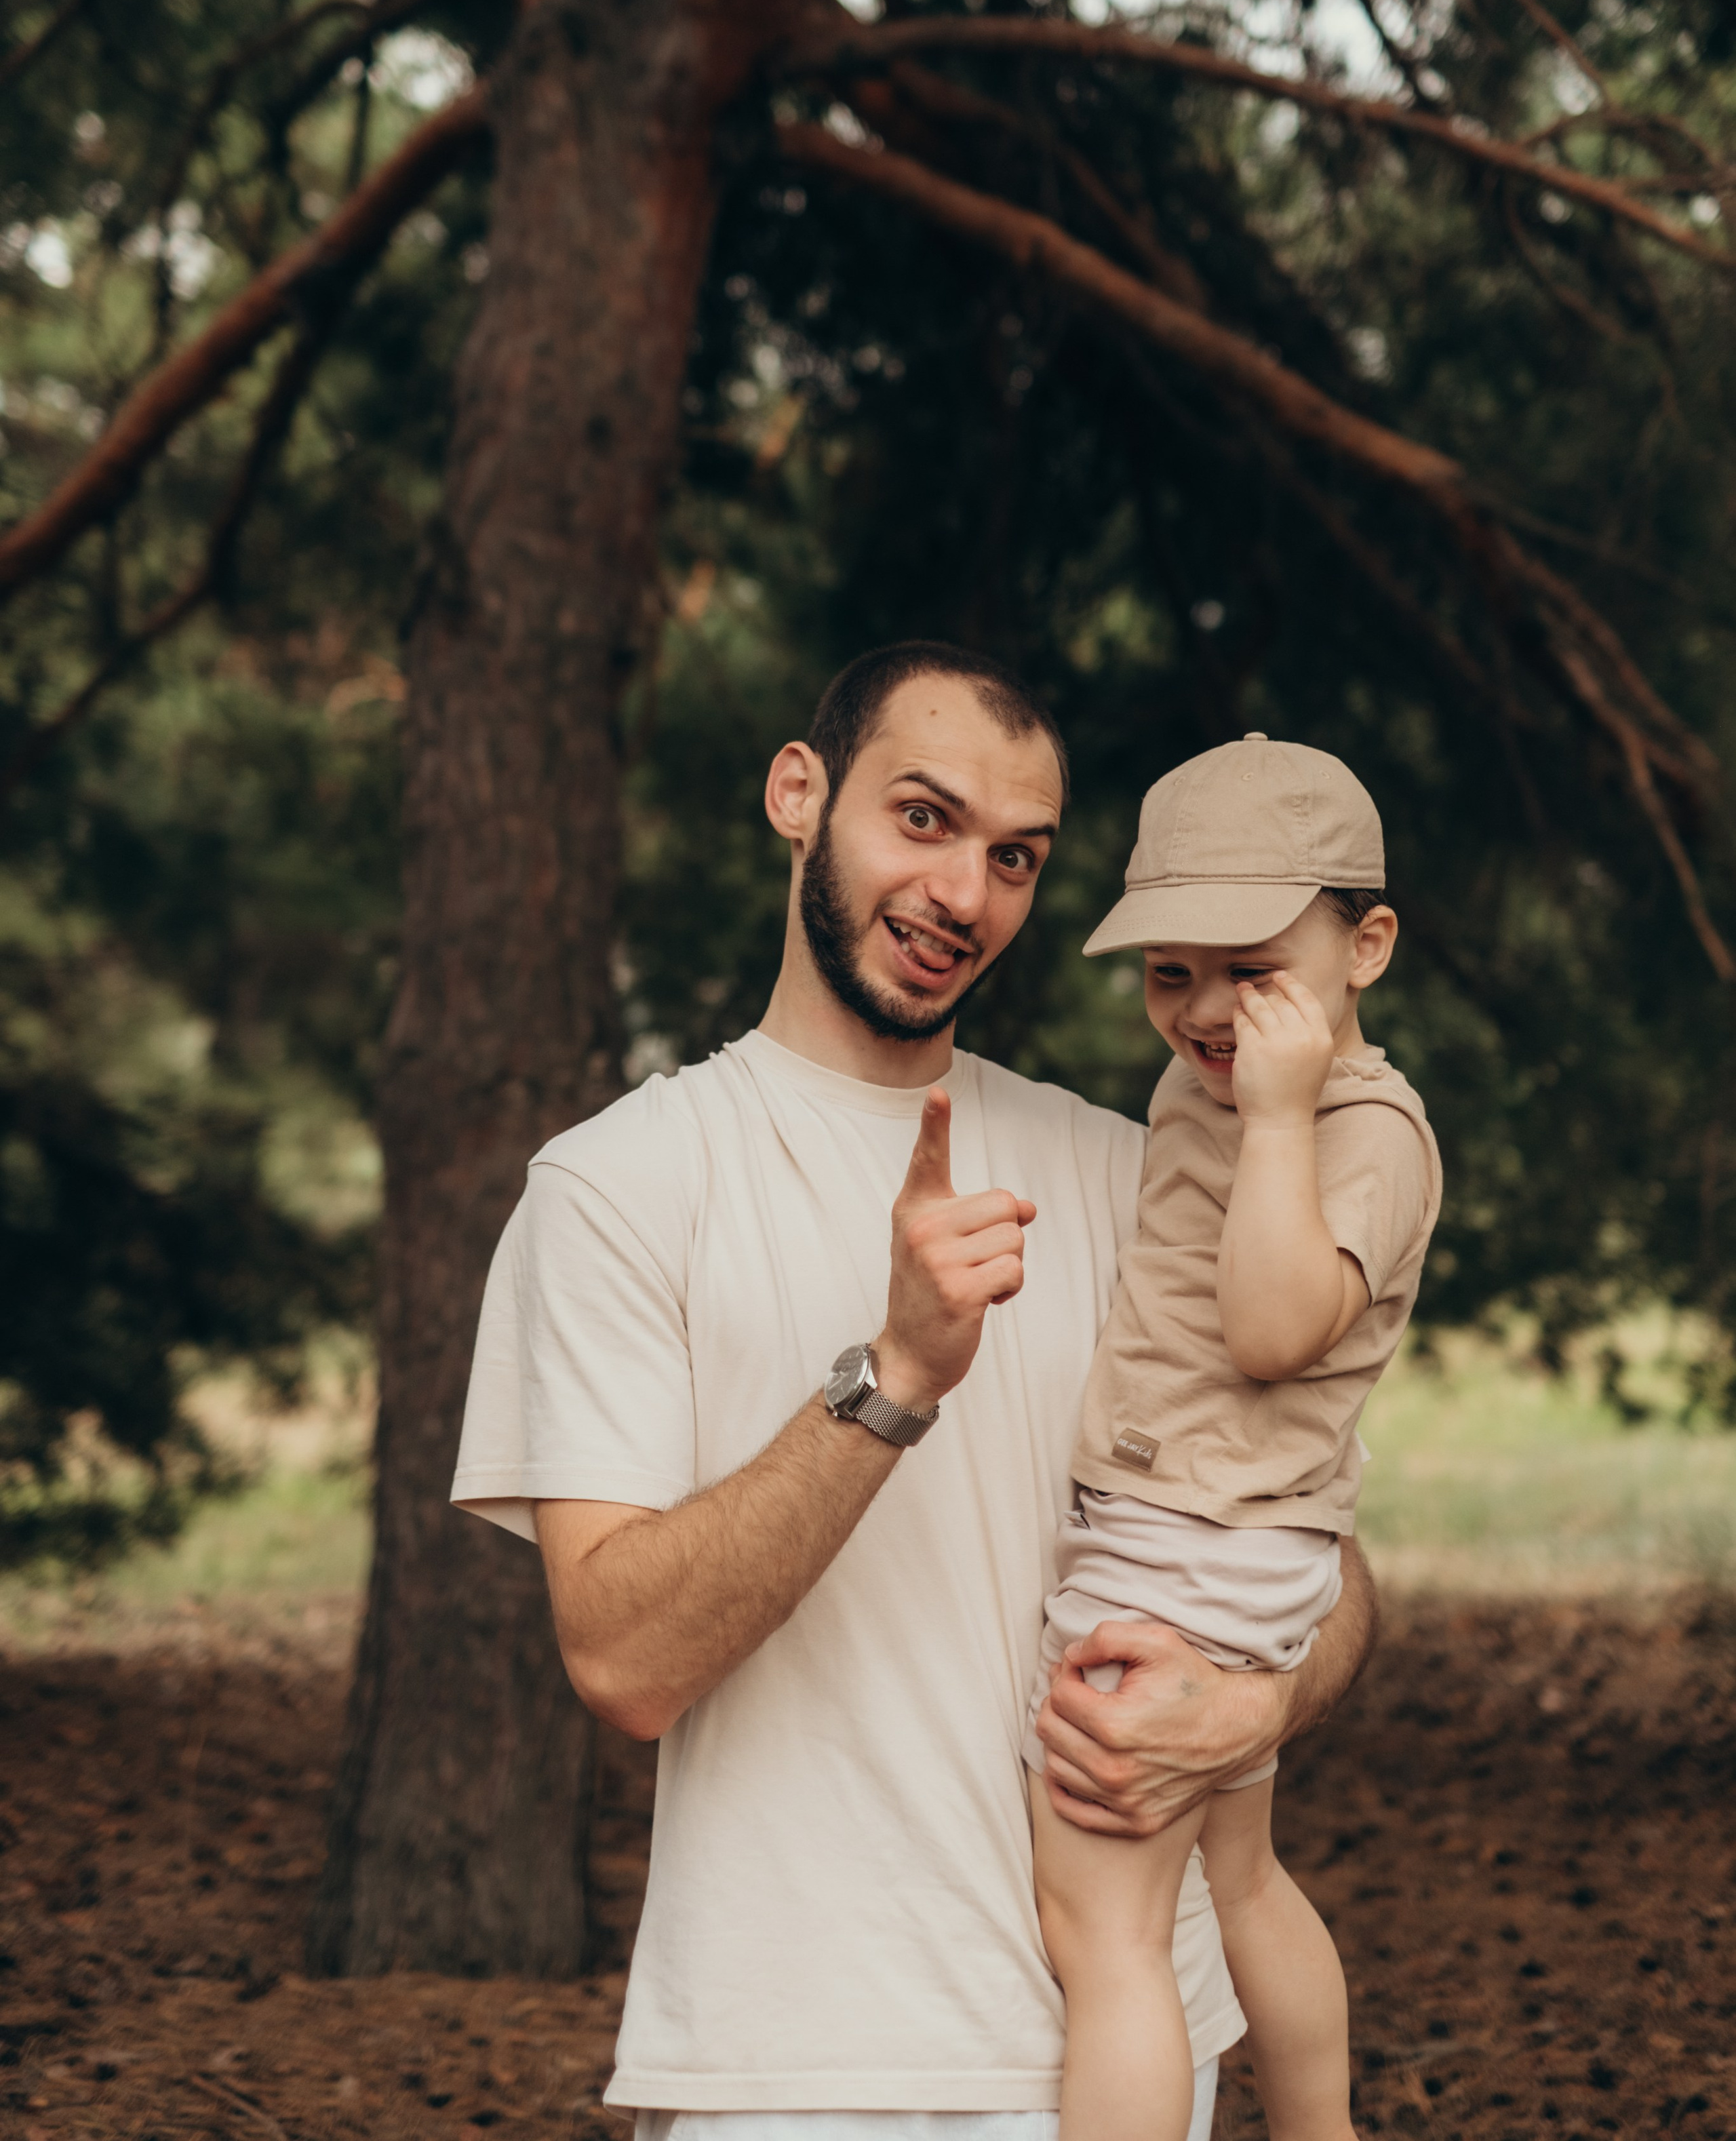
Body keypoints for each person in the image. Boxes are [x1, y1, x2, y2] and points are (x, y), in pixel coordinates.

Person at [452, 645, 1379, 2141]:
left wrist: (1247, 1711)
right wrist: (892, 1380)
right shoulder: (618, 1188)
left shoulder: (1137, 1173)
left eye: (1014, 858)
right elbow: (621, 1657)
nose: (965, 896)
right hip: (806, 2082)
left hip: (1132, 2057)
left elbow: (1323, 1570)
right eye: (924, 820)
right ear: (797, 795)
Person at [1023, 736, 1441, 2141]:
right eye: (1167, 971)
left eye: (1250, 969)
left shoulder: (1361, 1132)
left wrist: (1274, 1119)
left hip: (1182, 1553)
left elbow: (1272, 1330)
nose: (1204, 1011)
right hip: (1224, 1544)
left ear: (1363, 945)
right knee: (1242, 1878)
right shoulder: (1214, 1088)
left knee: (1109, 1938)